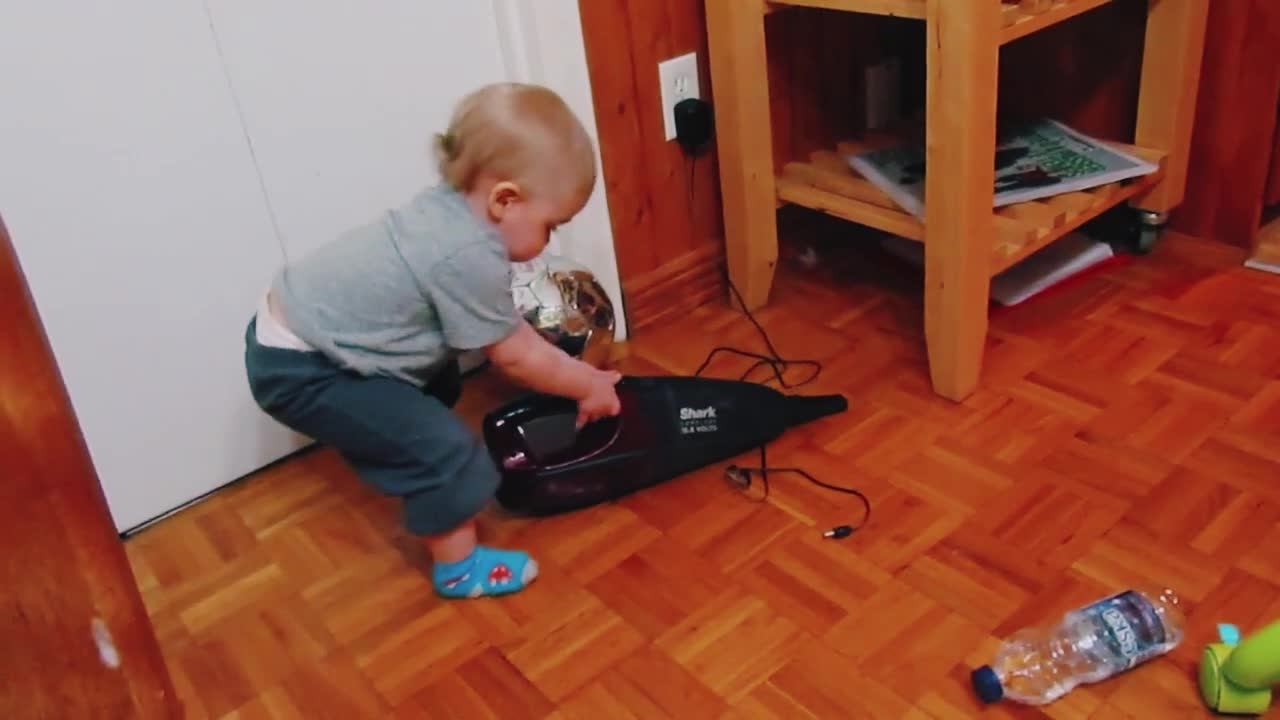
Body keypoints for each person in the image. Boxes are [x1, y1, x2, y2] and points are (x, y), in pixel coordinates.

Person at [242, 83, 621, 599]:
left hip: (300, 336)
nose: (550, 241)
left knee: (437, 380)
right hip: (305, 370)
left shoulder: (449, 210)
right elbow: (517, 355)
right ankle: (459, 568)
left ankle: (399, 446)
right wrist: (588, 384)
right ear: (505, 200)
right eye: (550, 225)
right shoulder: (464, 254)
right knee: (447, 453)